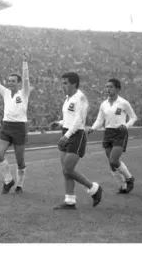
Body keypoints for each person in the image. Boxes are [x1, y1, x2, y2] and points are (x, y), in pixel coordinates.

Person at [49, 72, 103, 209]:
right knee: (66, 170)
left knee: (68, 169)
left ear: (74, 83)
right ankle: (70, 200)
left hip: (76, 135)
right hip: (66, 132)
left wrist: (67, 135)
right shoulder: (68, 98)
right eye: (62, 83)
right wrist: (60, 122)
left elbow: (79, 120)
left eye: (65, 83)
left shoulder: (81, 98)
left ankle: (94, 188)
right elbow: (69, 118)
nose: (63, 85)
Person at [0, 52, 30, 194]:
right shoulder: (5, 92)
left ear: (18, 83)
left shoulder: (24, 93)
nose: (10, 83)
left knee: (20, 161)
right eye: (9, 81)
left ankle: (20, 185)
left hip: (19, 128)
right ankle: (8, 180)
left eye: (13, 81)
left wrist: (24, 63)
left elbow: (27, 79)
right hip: (6, 126)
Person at [88, 78, 137, 194]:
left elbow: (133, 117)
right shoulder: (103, 104)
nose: (108, 89)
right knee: (112, 163)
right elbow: (100, 119)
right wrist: (93, 128)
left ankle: (129, 178)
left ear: (117, 89)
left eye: (111, 87)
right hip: (108, 133)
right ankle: (123, 186)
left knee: (114, 160)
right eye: (107, 87)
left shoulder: (124, 103)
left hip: (120, 132)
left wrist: (126, 125)